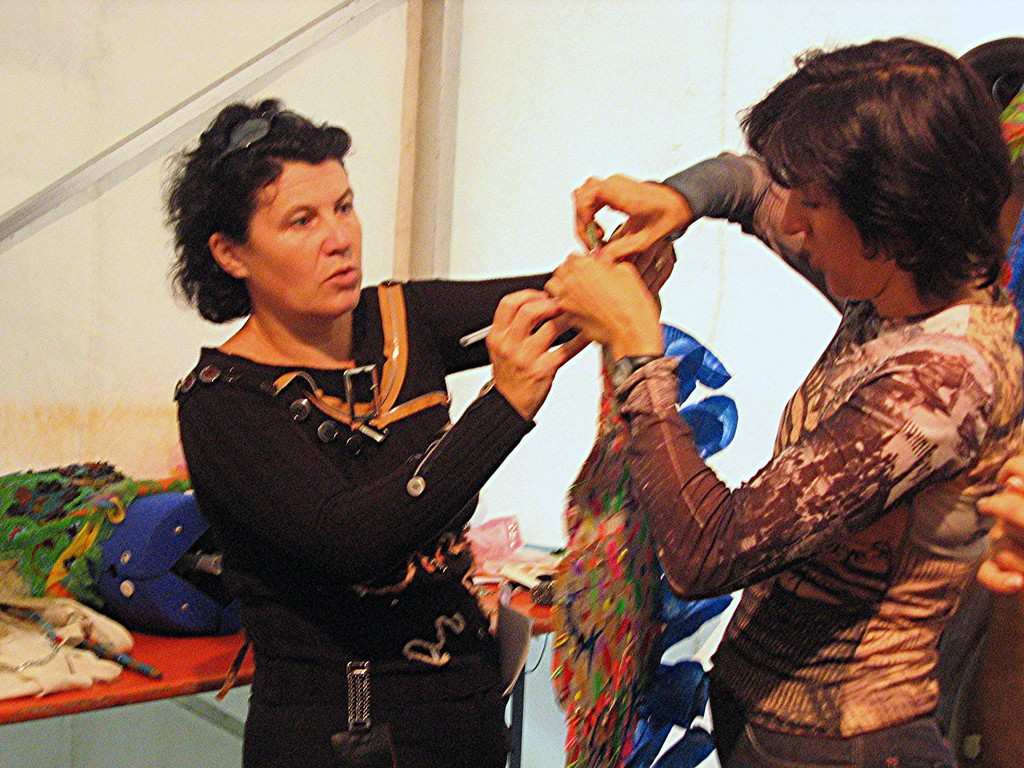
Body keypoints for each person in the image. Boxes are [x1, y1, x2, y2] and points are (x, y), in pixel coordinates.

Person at [547, 38, 1023, 767]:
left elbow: (707, 551)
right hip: (776, 730)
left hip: (846, 745)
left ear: (892, 221)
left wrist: (637, 347)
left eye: (816, 203)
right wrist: (678, 200)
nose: (793, 220)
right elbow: (747, 186)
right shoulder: (896, 292)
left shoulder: (944, 382)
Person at [165, 99, 581, 768]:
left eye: (344, 206)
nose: (339, 237)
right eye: (301, 220)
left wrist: (657, 224)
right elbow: (354, 541)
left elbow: (566, 300)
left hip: (467, 717)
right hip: (342, 739)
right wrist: (502, 408)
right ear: (231, 252)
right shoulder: (222, 402)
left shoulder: (400, 318)